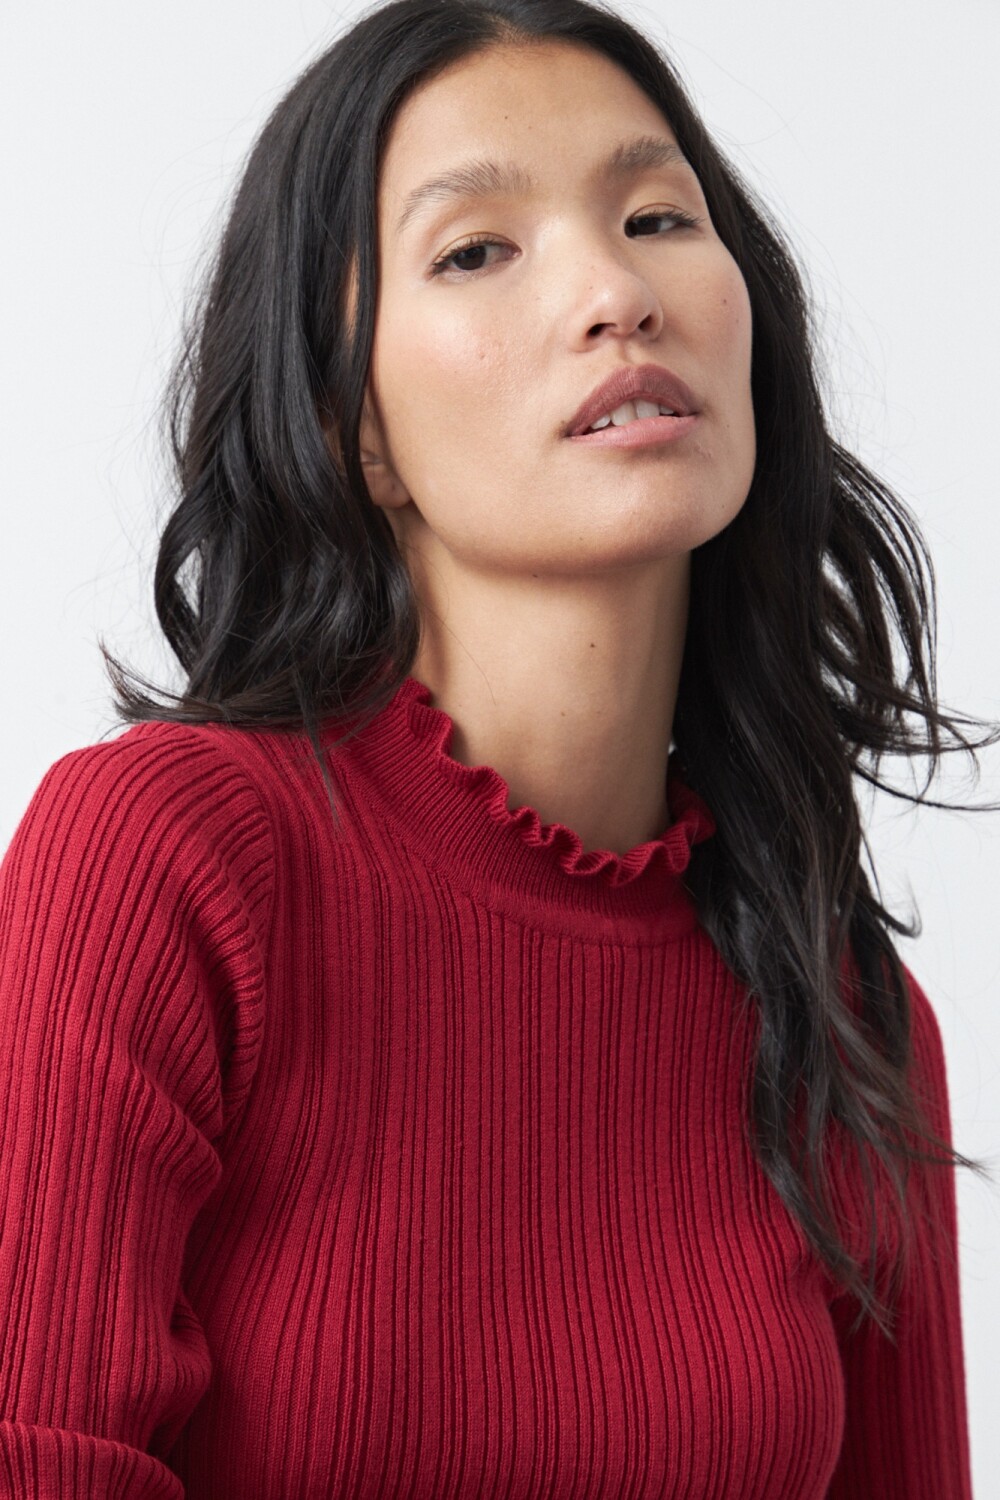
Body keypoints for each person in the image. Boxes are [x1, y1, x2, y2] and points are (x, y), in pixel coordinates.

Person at [0, 0, 995, 1494]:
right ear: (353, 427)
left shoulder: (844, 1014)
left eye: (657, 218)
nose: (615, 292)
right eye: (476, 250)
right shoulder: (168, 862)